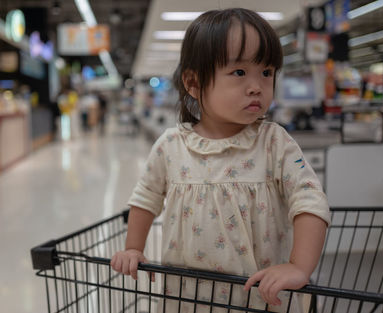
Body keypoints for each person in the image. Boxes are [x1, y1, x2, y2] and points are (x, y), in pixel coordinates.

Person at [111, 8, 330, 312]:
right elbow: (146, 198)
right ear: (193, 83)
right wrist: (133, 248)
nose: (257, 86)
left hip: (260, 298)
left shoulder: (274, 143)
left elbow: (310, 201)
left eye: (266, 72)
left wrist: (298, 266)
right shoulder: (172, 146)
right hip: (188, 298)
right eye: (239, 72)